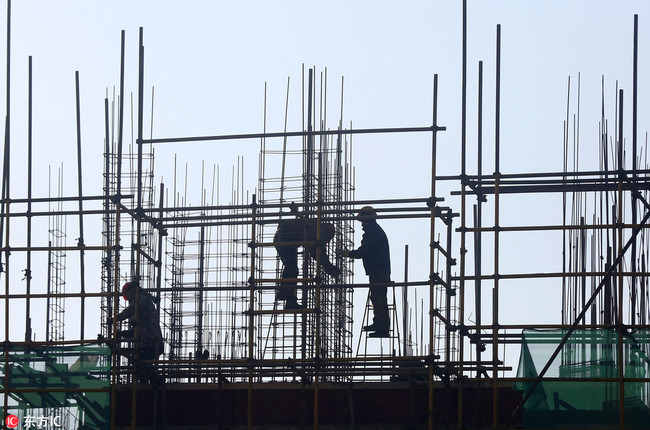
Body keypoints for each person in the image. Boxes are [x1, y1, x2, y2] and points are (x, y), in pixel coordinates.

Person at [274, 204, 341, 310]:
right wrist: (328, 266)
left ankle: (289, 299)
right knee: (291, 268)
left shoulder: (314, 227)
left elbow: (316, 252)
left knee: (291, 268)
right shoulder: (313, 230)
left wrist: (328, 266)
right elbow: (315, 252)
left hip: (284, 236)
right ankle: (284, 293)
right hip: (284, 236)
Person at [340, 206, 391, 337]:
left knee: (378, 297)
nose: (362, 224)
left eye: (362, 221)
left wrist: (348, 253)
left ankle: (381, 325)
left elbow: (364, 251)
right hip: (379, 270)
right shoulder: (375, 231)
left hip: (378, 270)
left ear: (367, 219)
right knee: (378, 297)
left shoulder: (373, 233)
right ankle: (381, 325)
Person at [108, 280, 164, 383]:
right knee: (140, 365)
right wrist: (123, 333)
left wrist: (115, 319)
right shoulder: (143, 307)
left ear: (131, 290)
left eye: (126, 295)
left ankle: (154, 380)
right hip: (149, 342)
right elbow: (137, 330)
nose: (127, 299)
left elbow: (130, 310)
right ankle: (150, 383)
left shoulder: (141, 299)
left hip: (151, 342)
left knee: (140, 363)